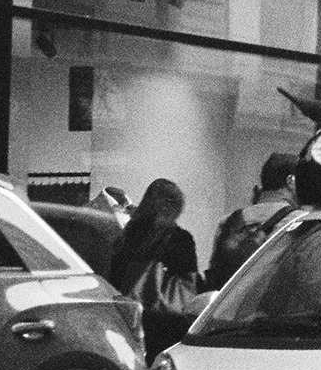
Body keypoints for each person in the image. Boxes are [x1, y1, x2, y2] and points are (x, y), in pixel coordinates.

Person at [109, 178, 201, 357]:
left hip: (130, 319)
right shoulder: (180, 239)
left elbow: (115, 278)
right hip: (167, 324)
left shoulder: (126, 235)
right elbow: (189, 283)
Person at [207, 152, 299, 290]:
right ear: (291, 181)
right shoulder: (299, 221)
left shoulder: (227, 222)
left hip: (228, 308)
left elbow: (214, 273)